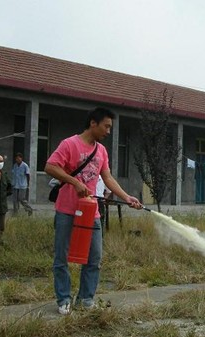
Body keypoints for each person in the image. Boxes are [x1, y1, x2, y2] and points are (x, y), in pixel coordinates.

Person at [45, 107, 142, 315]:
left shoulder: (101, 151)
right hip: (66, 210)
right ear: (93, 123)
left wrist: (126, 197)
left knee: (94, 258)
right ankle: (63, 299)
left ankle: (85, 299)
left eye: (110, 127)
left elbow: (107, 177)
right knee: (62, 257)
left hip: (92, 213)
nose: (108, 131)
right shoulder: (69, 144)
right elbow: (50, 167)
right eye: (106, 126)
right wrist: (74, 182)